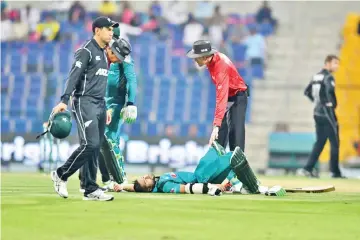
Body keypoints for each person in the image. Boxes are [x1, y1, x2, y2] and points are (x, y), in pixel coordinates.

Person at [50, 17, 119, 201]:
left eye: (112, 29)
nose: (111, 32)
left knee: (95, 149)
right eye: (108, 29)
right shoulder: (86, 50)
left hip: (99, 104)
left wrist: (105, 108)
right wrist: (64, 99)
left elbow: (99, 81)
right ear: (97, 30)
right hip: (84, 101)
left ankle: (90, 189)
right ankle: (61, 174)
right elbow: (74, 76)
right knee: (90, 144)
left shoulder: (105, 52)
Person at [79, 27, 137, 192]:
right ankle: (96, 179)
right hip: (97, 102)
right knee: (93, 141)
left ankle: (120, 179)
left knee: (110, 141)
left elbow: (132, 80)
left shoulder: (123, 58)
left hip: (114, 105)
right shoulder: (99, 54)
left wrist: (131, 103)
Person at [114, 142, 285, 197]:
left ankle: (238, 178)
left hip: (202, 172)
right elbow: (188, 189)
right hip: (202, 178)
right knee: (232, 160)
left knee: (219, 154)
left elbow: (136, 187)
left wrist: (121, 187)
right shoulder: (164, 186)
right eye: (146, 180)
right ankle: (248, 183)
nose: (145, 176)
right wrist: (213, 188)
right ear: (150, 188)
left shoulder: (154, 182)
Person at [186, 40, 248, 152]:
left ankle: (238, 160)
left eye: (196, 57)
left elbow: (222, 96)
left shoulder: (220, 67)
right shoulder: (211, 61)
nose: (194, 59)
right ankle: (217, 157)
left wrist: (216, 126)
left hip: (237, 96)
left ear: (205, 57)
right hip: (229, 96)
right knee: (220, 133)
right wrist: (218, 126)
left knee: (235, 130)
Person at [300, 55, 345, 178]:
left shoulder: (316, 76)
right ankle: (335, 172)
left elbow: (307, 92)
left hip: (317, 112)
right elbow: (330, 91)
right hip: (327, 113)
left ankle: (307, 168)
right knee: (335, 142)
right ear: (327, 63)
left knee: (320, 142)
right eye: (335, 63)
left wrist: (317, 102)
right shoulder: (329, 77)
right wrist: (331, 103)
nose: (337, 66)